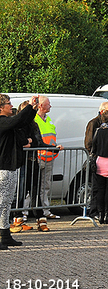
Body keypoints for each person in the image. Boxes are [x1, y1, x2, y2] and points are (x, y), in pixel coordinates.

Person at [0, 94, 38, 249]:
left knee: (7, 203)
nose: (11, 106)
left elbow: (22, 121)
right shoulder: (2, 122)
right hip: (3, 168)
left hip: (12, 166)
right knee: (1, 203)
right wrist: (28, 106)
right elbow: (16, 120)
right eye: (8, 104)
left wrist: (33, 110)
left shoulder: (9, 123)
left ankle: (5, 235)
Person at [15, 101, 45, 229]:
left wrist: (53, 148)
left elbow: (38, 142)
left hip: (33, 161)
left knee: (35, 192)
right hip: (20, 163)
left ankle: (40, 219)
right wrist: (26, 143)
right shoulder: (17, 126)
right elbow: (18, 143)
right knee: (20, 193)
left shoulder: (34, 125)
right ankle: (17, 219)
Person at [84, 101, 108, 221]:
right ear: (103, 111)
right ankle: (94, 211)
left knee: (107, 188)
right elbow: (89, 142)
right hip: (98, 159)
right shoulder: (94, 123)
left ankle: (105, 211)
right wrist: (96, 153)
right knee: (97, 187)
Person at [33, 96, 63, 219]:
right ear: (40, 106)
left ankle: (45, 211)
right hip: (38, 157)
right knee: (31, 186)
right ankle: (24, 213)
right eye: (48, 104)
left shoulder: (48, 119)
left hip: (49, 157)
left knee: (45, 186)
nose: (50, 106)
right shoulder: (33, 119)